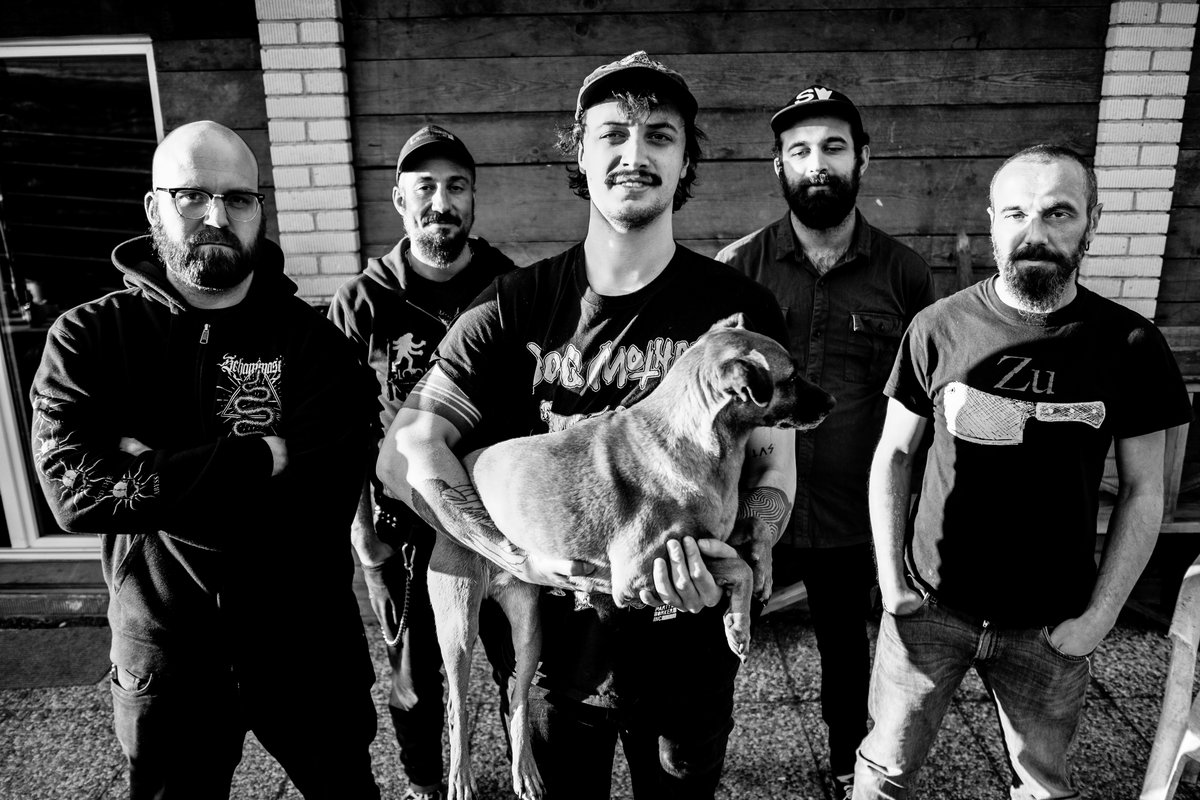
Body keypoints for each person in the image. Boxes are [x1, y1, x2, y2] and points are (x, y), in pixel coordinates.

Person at [377, 51, 796, 799]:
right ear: (580, 151)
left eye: (659, 135)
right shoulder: (511, 307)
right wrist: (509, 553)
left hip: (691, 657)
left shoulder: (737, 314)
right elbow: (406, 452)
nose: (635, 153)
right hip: (560, 668)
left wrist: (755, 547)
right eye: (612, 134)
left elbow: (773, 463)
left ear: (685, 159)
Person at [28, 121, 380, 800]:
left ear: (259, 210)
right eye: (191, 195)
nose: (216, 217)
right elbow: (75, 493)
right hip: (166, 654)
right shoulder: (89, 338)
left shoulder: (318, 346)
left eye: (238, 198)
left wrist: (150, 466)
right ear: (153, 206)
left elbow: (320, 498)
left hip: (307, 649)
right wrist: (256, 458)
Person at [854, 144, 1192, 799]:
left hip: (1051, 626)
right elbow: (894, 454)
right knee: (886, 769)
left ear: (1092, 220)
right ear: (992, 222)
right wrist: (892, 583)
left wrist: (1099, 618)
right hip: (930, 609)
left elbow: (1146, 489)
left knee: (1043, 786)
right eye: (1016, 213)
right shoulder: (938, 327)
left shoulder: (1130, 345)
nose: (1034, 233)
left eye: (1058, 213)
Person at [716, 84, 934, 797]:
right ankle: (700, 763)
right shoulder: (737, 267)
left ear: (862, 159)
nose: (817, 163)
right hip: (750, 503)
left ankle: (847, 764)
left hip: (850, 510)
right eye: (800, 149)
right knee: (719, 642)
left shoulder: (904, 274)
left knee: (846, 647)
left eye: (833, 147)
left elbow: (921, 405)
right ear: (778, 165)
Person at [328, 124, 517, 800]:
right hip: (403, 530)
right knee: (414, 679)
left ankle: (527, 772)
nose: (442, 202)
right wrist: (364, 541)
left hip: (499, 522)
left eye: (456, 186)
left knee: (520, 664)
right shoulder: (361, 303)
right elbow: (341, 435)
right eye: (426, 187)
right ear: (399, 199)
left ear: (473, 198)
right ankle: (425, 785)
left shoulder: (511, 288)